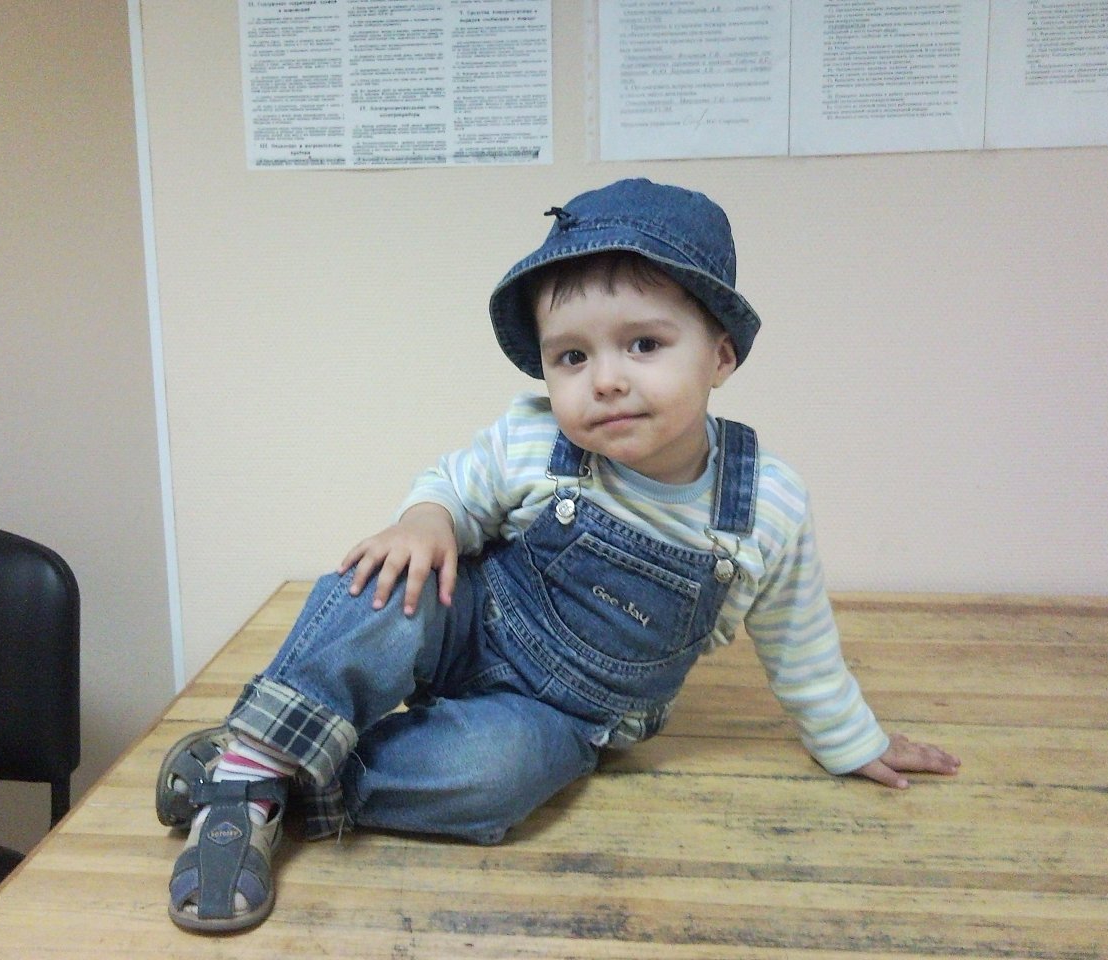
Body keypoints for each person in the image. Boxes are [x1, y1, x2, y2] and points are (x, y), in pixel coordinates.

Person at [157, 178, 960, 933]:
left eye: (643, 344)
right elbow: (455, 488)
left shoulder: (765, 506)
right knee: (381, 587)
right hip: (471, 620)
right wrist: (428, 520)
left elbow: (800, 641)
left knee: (492, 781)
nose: (604, 380)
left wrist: (853, 740)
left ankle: (265, 782)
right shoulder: (536, 438)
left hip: (562, 716)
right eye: (572, 357)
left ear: (720, 356)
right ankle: (260, 756)